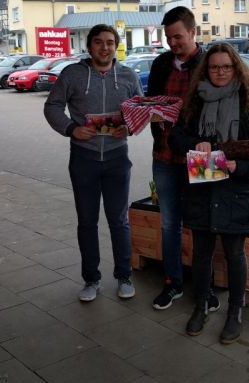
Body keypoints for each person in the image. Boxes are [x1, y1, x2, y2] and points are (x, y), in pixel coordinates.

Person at [170, 43, 249, 343]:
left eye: (226, 67)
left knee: (234, 254)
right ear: (206, 68)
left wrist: (238, 166)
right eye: (214, 67)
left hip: (236, 188)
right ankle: (201, 306)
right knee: (201, 254)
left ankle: (235, 312)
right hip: (202, 185)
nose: (220, 72)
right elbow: (177, 135)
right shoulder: (195, 97)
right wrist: (196, 142)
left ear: (236, 67)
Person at [44, 24, 142, 302]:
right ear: (89, 46)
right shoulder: (72, 74)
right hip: (83, 158)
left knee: (119, 221)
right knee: (87, 222)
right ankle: (91, 280)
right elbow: (52, 106)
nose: (105, 47)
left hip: (116, 158)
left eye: (110, 42)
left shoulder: (127, 75)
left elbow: (139, 110)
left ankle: (124, 277)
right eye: (98, 42)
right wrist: (70, 129)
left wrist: (130, 128)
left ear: (116, 45)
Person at [147, 6, 219, 311]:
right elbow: (150, 101)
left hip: (202, 155)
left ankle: (207, 287)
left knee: (206, 224)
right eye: (168, 38)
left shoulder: (211, 63)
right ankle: (173, 282)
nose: (173, 43)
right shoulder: (161, 63)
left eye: (178, 36)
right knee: (169, 224)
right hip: (164, 154)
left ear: (193, 32)